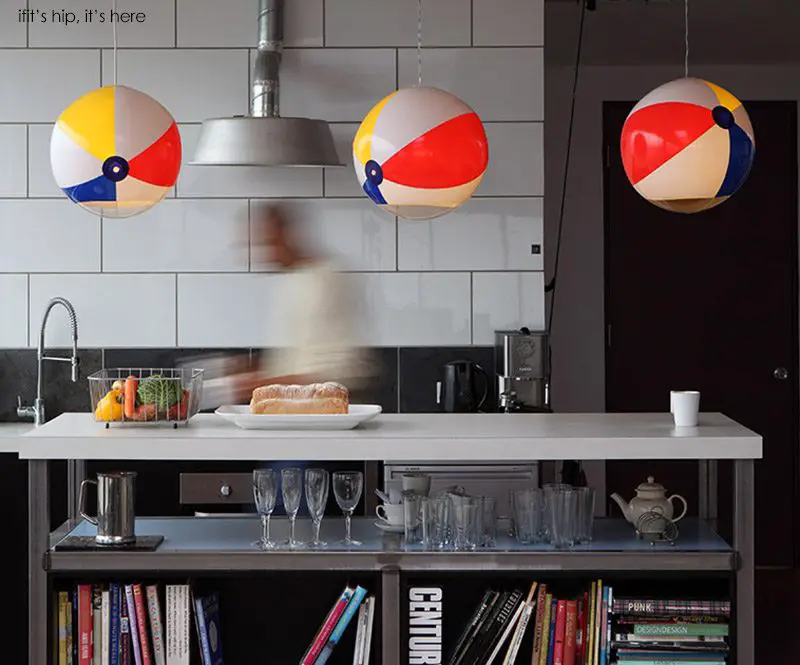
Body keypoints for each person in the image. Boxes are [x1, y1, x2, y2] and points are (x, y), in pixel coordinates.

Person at [201, 202, 375, 407]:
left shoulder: (327, 281)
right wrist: (250, 369)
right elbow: (299, 354)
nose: (259, 254)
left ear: (286, 235)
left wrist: (255, 385)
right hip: (301, 404)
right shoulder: (293, 280)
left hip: (334, 407)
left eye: (265, 242)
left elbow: (335, 371)